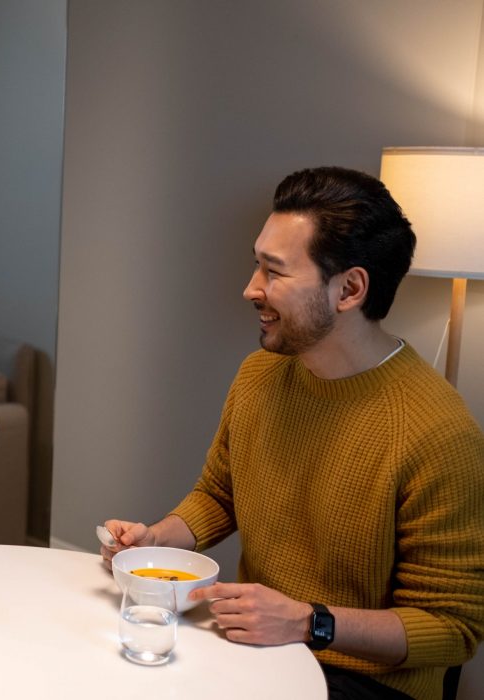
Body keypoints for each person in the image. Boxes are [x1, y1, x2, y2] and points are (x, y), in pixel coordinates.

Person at [101, 166, 484, 700]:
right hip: (259, 652)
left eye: (274, 272)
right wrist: (156, 541)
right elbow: (220, 495)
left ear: (349, 289)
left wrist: (308, 622)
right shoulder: (261, 376)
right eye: (256, 264)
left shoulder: (437, 432)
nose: (250, 289)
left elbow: (453, 628)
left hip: (364, 681)